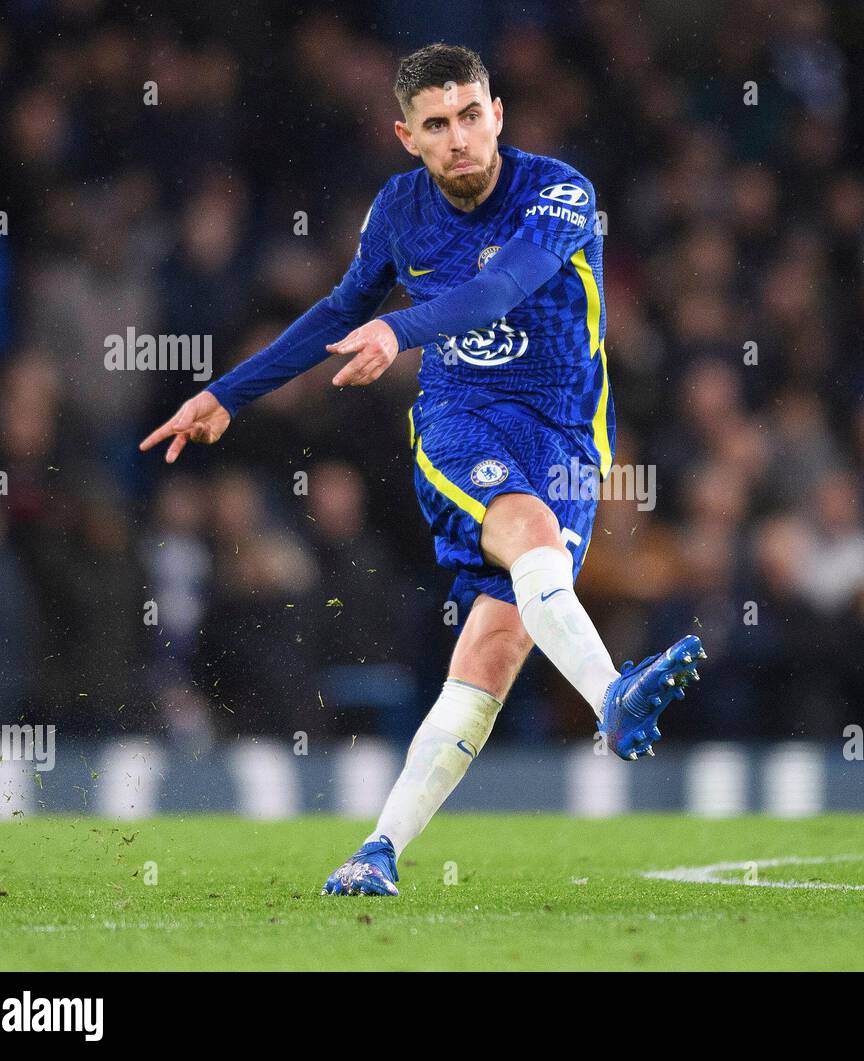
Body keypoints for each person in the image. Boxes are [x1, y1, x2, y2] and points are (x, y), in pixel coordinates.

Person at [139, 43, 705, 897]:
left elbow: (502, 289)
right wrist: (228, 392)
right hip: (459, 422)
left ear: (498, 114)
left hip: (564, 439)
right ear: (406, 135)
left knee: (496, 643)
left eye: (471, 116)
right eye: (436, 125)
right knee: (528, 533)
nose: (459, 139)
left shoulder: (559, 192)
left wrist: (398, 331)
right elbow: (340, 309)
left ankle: (378, 849)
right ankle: (613, 698)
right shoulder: (398, 211)